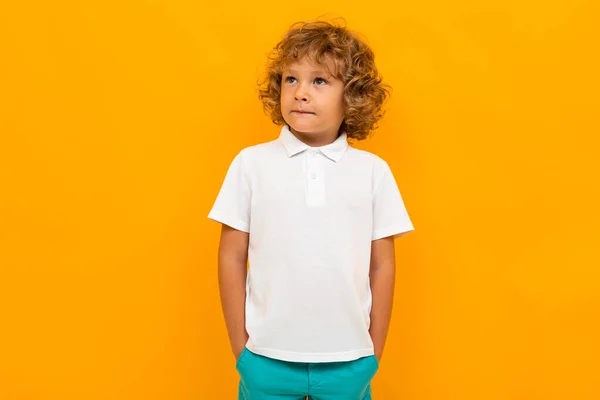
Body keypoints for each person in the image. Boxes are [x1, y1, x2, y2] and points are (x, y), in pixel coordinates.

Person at [208, 19, 415, 400]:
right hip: (265, 358)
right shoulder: (250, 164)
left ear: (351, 94)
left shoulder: (373, 172)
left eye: (319, 81)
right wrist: (242, 351)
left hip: (349, 361)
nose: (301, 92)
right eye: (291, 79)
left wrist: (373, 353)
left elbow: (382, 264)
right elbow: (231, 256)